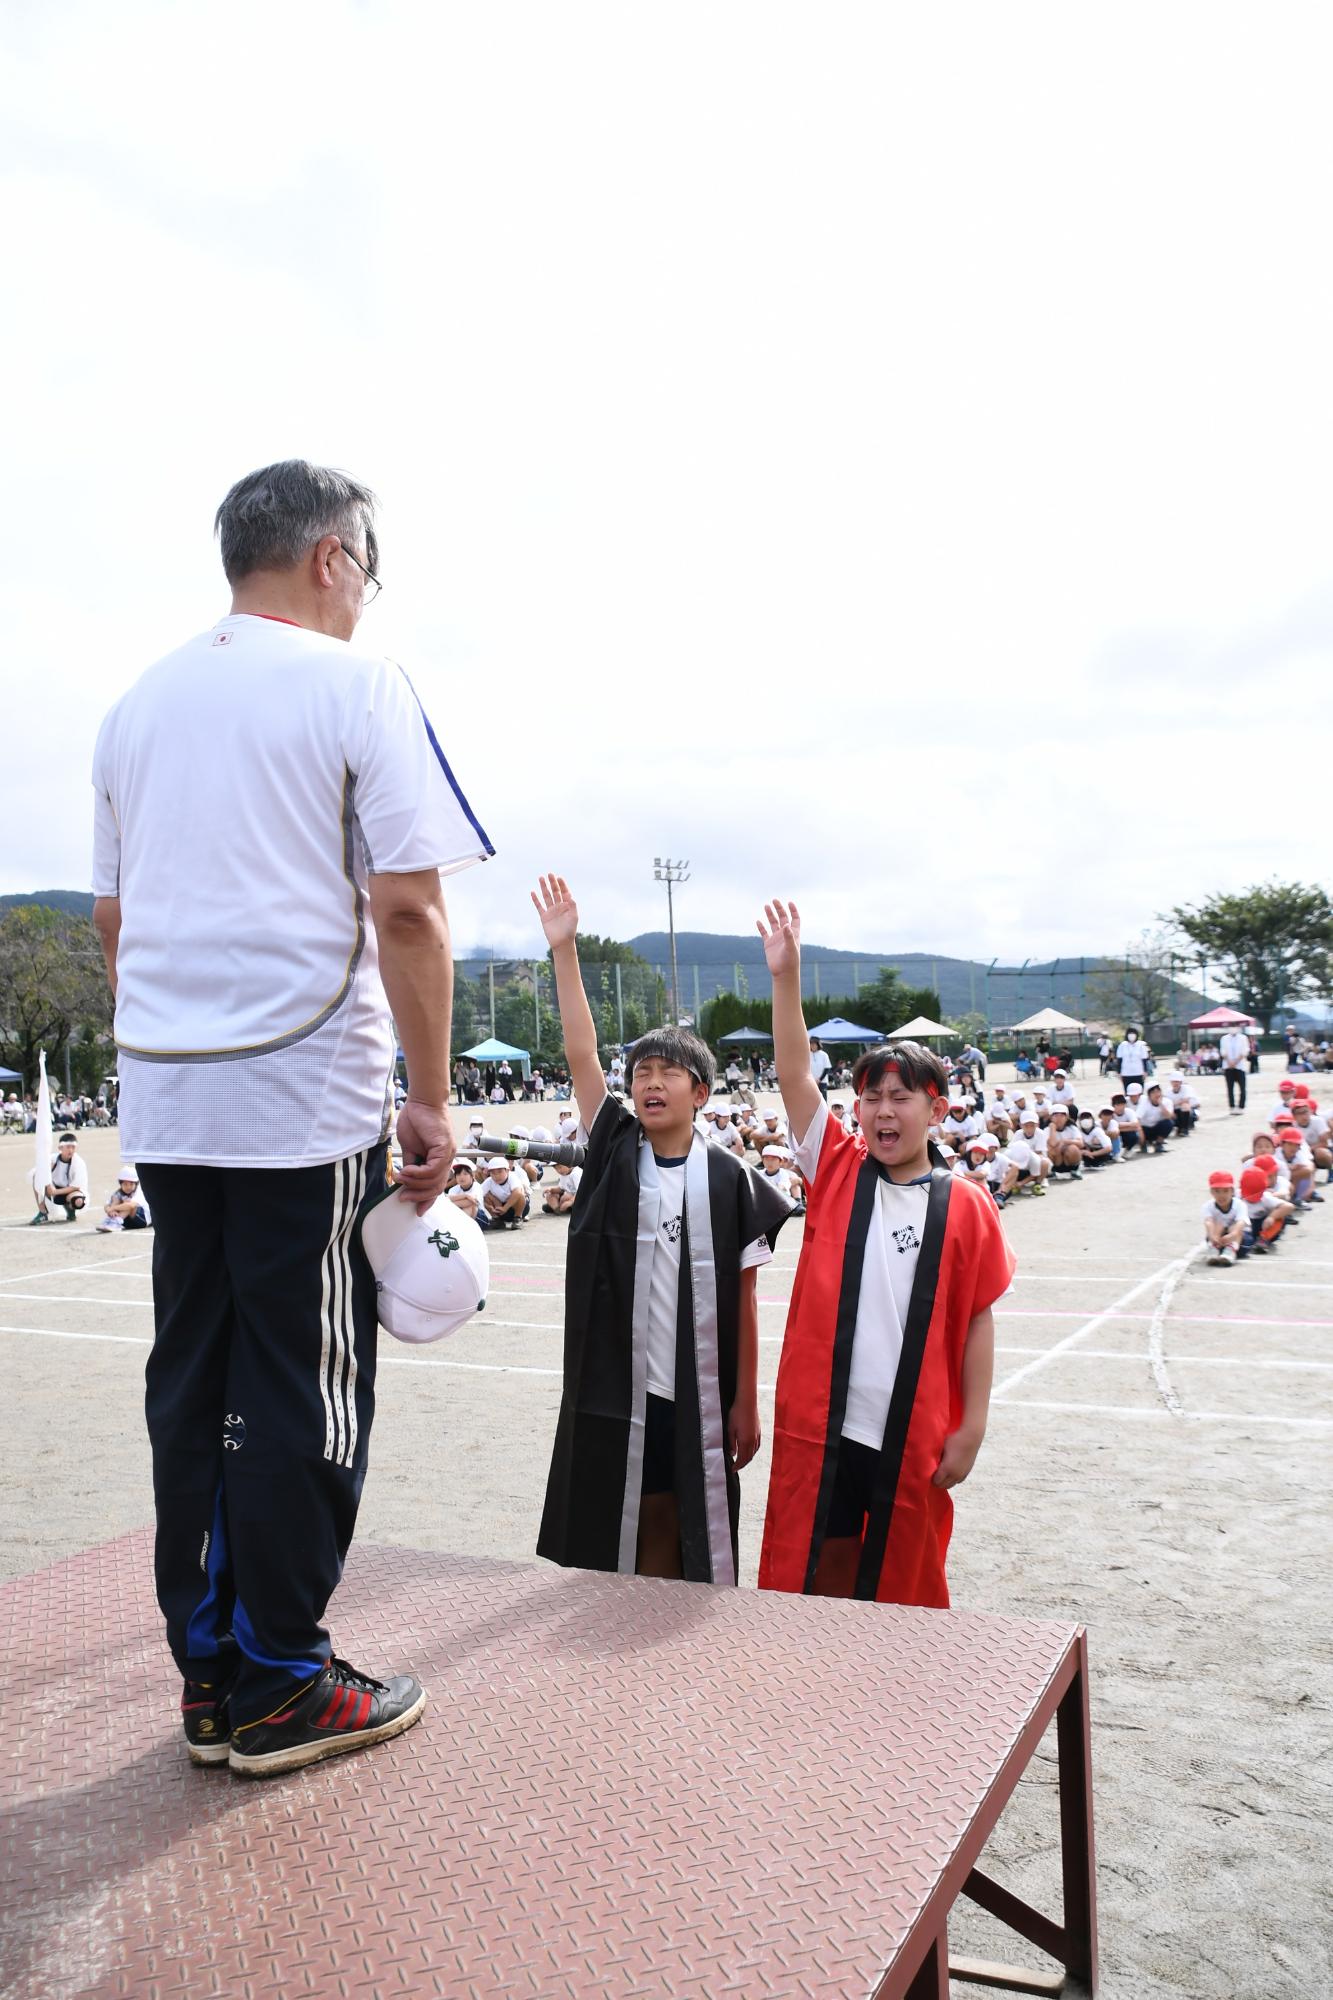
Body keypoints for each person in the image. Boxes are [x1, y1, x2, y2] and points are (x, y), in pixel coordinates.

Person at [91, 459, 492, 1778]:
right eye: (368, 572)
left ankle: (210, 1675)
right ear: (333, 556)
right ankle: (277, 1675)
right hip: (299, 1078)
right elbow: (410, 907)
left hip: (164, 1077)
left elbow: (112, 922)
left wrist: (171, 1046)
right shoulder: (354, 685)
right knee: (302, 1374)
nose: (368, 599)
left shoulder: (134, 707)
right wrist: (427, 1095)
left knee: (191, 1373)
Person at [754, 900, 1014, 1610]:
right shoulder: (835, 1170)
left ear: (936, 1109)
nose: (883, 1112)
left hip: (912, 1428)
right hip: (822, 1422)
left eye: (901, 1097)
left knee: (902, 1576)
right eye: (871, 1097)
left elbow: (977, 1320)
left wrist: (972, 1426)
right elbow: (792, 1076)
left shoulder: (963, 1203)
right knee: (815, 1568)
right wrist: (787, 977)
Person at [532, 875, 790, 1585]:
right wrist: (564, 952)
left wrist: (745, 1399)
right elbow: (582, 1055)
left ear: (699, 1092)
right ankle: (625, 1628)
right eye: (641, 1071)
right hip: (622, 1378)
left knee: (686, 1515)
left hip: (699, 1385)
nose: (649, 1082)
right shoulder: (615, 1147)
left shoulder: (730, 1178)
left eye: (667, 1072)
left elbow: (742, 1300)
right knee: (631, 1514)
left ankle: (667, 1635)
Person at [33, 1132, 90, 1222]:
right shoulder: (52, 1159)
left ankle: (71, 1210)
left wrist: (56, 1192)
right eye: (68, 1147)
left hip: (70, 1192)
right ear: (60, 1148)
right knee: (36, 1177)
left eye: (73, 1147)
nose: (70, 1150)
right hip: (53, 1189)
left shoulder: (79, 1163)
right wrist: (49, 1185)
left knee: (78, 1201)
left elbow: (76, 1186)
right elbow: (39, 1174)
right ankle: (42, 1212)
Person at [1201, 1171, 1247, 1265]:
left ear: (1232, 1191)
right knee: (1218, 1224)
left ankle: (1231, 1251)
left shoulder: (1239, 1205)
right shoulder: (1208, 1206)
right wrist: (1211, 1235)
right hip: (1219, 1239)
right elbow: (1208, 1221)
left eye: (1225, 1191)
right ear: (1211, 1192)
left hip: (1239, 1240)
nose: (1221, 1195)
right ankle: (1213, 1249)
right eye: (1217, 1191)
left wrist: (1233, 1234)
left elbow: (1241, 1222)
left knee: (1234, 1227)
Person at [95, 1165, 152, 1232]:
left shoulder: (139, 1191)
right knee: (116, 1199)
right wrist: (111, 1211)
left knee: (127, 1204)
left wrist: (113, 1208)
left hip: (142, 1221)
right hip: (126, 1222)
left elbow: (131, 1205)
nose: (128, 1187)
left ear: (136, 1184)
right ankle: (111, 1221)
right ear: (120, 1184)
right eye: (125, 1184)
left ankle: (116, 1222)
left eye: (131, 1184)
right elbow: (107, 1206)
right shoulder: (119, 1192)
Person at [1219, 1025, 1250, 1113]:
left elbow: (1245, 1051)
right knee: (1230, 1088)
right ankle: (1232, 1106)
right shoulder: (1224, 1038)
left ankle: (1241, 1107)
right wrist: (1229, 1062)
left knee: (1242, 1088)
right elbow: (1223, 1051)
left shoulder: (1243, 1038)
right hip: (1228, 1066)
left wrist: (1236, 1062)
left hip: (1240, 1066)